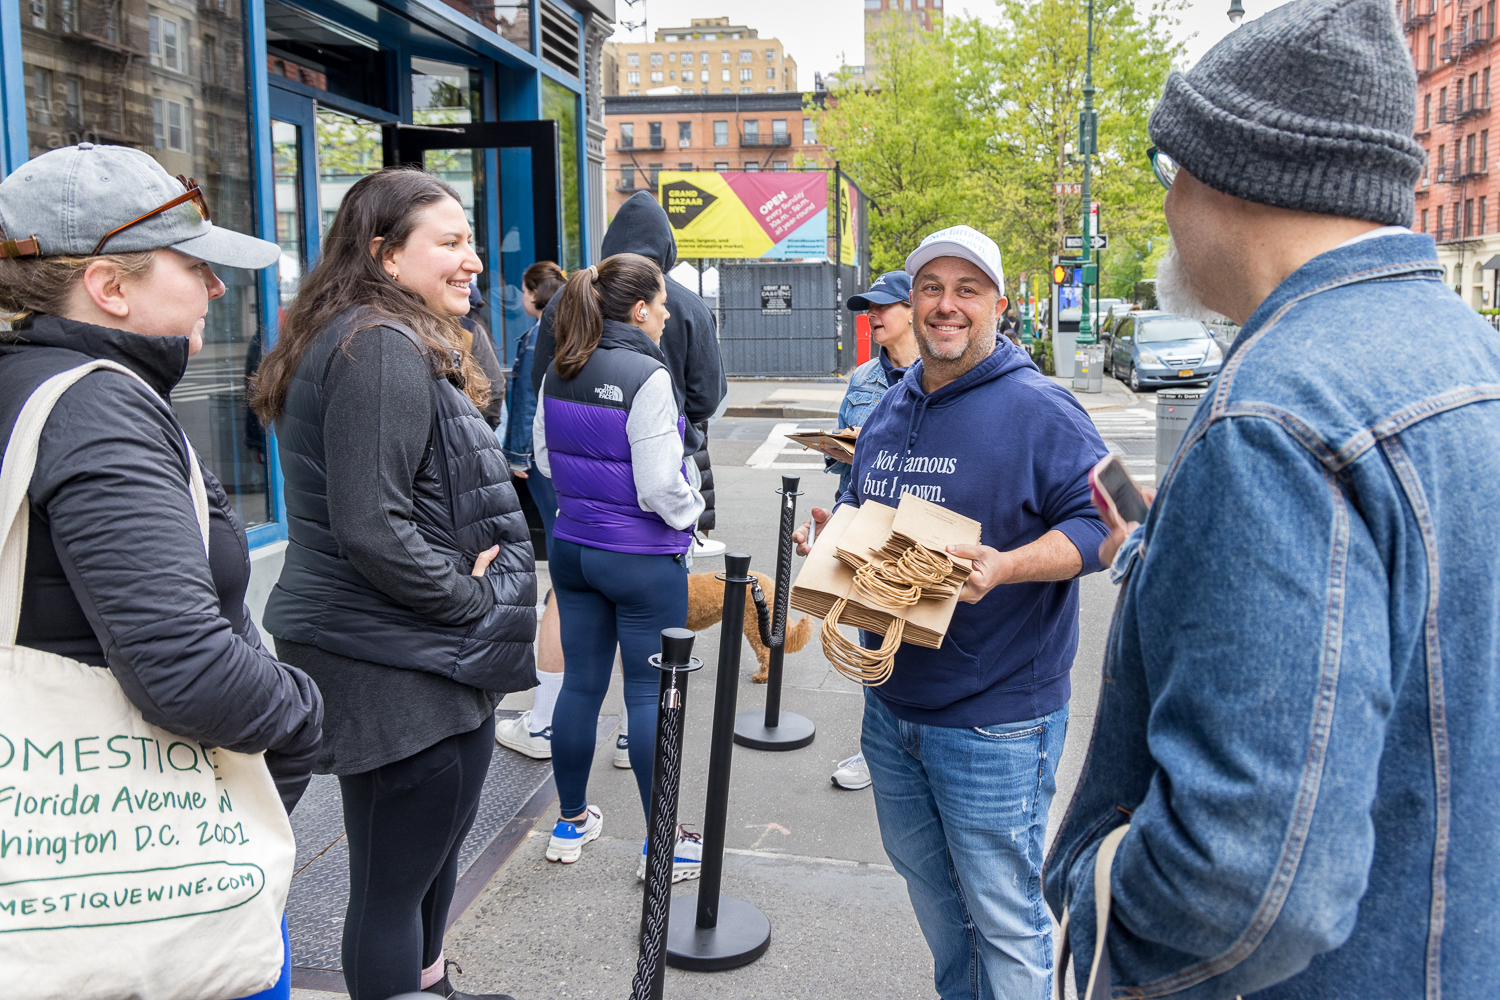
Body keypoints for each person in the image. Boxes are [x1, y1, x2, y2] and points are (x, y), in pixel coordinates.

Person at [1045, 2, 1500, 997]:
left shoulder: (1276, 415)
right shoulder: (1474, 355)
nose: (1167, 210)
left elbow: (1249, 880)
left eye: (1170, 175)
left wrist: (1097, 891)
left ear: (1226, 177)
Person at [0, 143, 323, 1000]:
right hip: (139, 882)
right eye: (194, 265)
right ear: (110, 287)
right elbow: (184, 668)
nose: (217, 288)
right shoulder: (99, 406)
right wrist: (303, 716)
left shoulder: (25, 384)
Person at [794, 226, 1110, 1000]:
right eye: (931, 286)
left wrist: (1008, 566)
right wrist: (841, 538)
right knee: (941, 913)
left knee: (1004, 921)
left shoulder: (1045, 408)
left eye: (967, 289)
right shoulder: (892, 406)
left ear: (998, 304)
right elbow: (866, 505)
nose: (946, 305)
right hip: (892, 712)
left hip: (996, 720)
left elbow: (1113, 523)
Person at [252, 168, 536, 1000]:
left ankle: (431, 986)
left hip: (399, 645)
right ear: (384, 255)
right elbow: (372, 525)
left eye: (471, 242)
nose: (472, 261)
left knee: (421, 864)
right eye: (448, 243)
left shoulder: (369, 332)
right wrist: (473, 601)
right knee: (390, 886)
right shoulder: (378, 345)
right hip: (394, 654)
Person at [534, 253, 705, 880]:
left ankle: (570, 821)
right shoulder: (648, 376)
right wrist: (696, 509)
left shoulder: (559, 369)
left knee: (580, 685)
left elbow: (545, 462)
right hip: (640, 559)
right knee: (646, 695)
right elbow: (661, 487)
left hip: (573, 549)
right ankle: (662, 846)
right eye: (660, 305)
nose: (664, 316)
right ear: (639, 309)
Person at [532, 191, 727, 562]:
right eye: (660, 308)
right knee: (657, 603)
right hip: (658, 479)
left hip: (576, 477)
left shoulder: (567, 297)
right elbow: (706, 399)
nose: (664, 314)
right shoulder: (687, 307)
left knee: (578, 592)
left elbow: (541, 383)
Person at [816, 269, 919, 792]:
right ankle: (875, 748)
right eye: (868, 308)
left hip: (915, 530)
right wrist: (842, 448)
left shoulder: (940, 376)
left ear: (913, 309)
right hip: (863, 525)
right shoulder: (862, 381)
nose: (873, 316)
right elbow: (843, 471)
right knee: (869, 641)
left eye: (883, 307)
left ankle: (917, 748)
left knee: (918, 643)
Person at [494, 260, 570, 762]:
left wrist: (518, 454)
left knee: (562, 570)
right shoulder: (582, 328)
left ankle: (542, 724)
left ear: (532, 295)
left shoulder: (534, 336)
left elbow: (526, 398)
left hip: (543, 461)